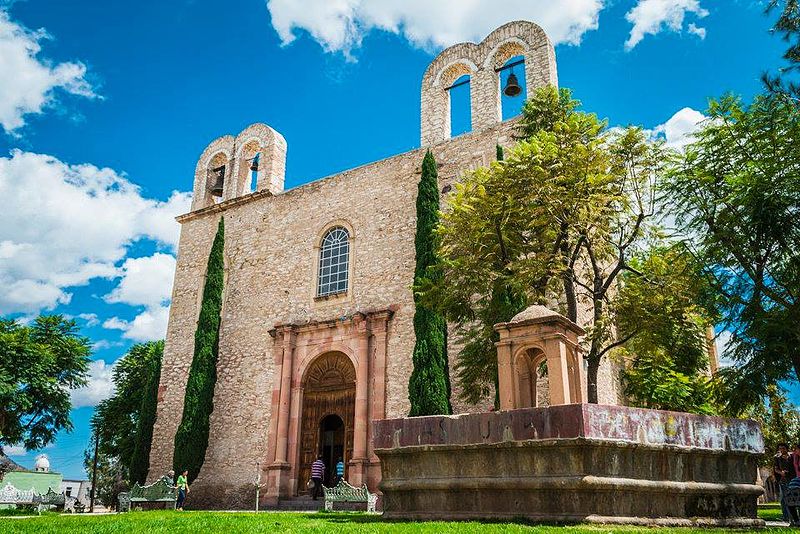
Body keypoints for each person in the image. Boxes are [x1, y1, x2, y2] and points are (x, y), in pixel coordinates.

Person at [774, 443, 796, 523]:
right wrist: (781, 472)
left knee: (794, 498)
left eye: (783, 448)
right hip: (783, 480)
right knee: (784, 498)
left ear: (787, 448)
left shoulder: (792, 457)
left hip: (793, 479)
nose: (782, 450)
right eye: (780, 448)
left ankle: (794, 518)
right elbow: (776, 469)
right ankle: (786, 517)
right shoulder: (777, 458)